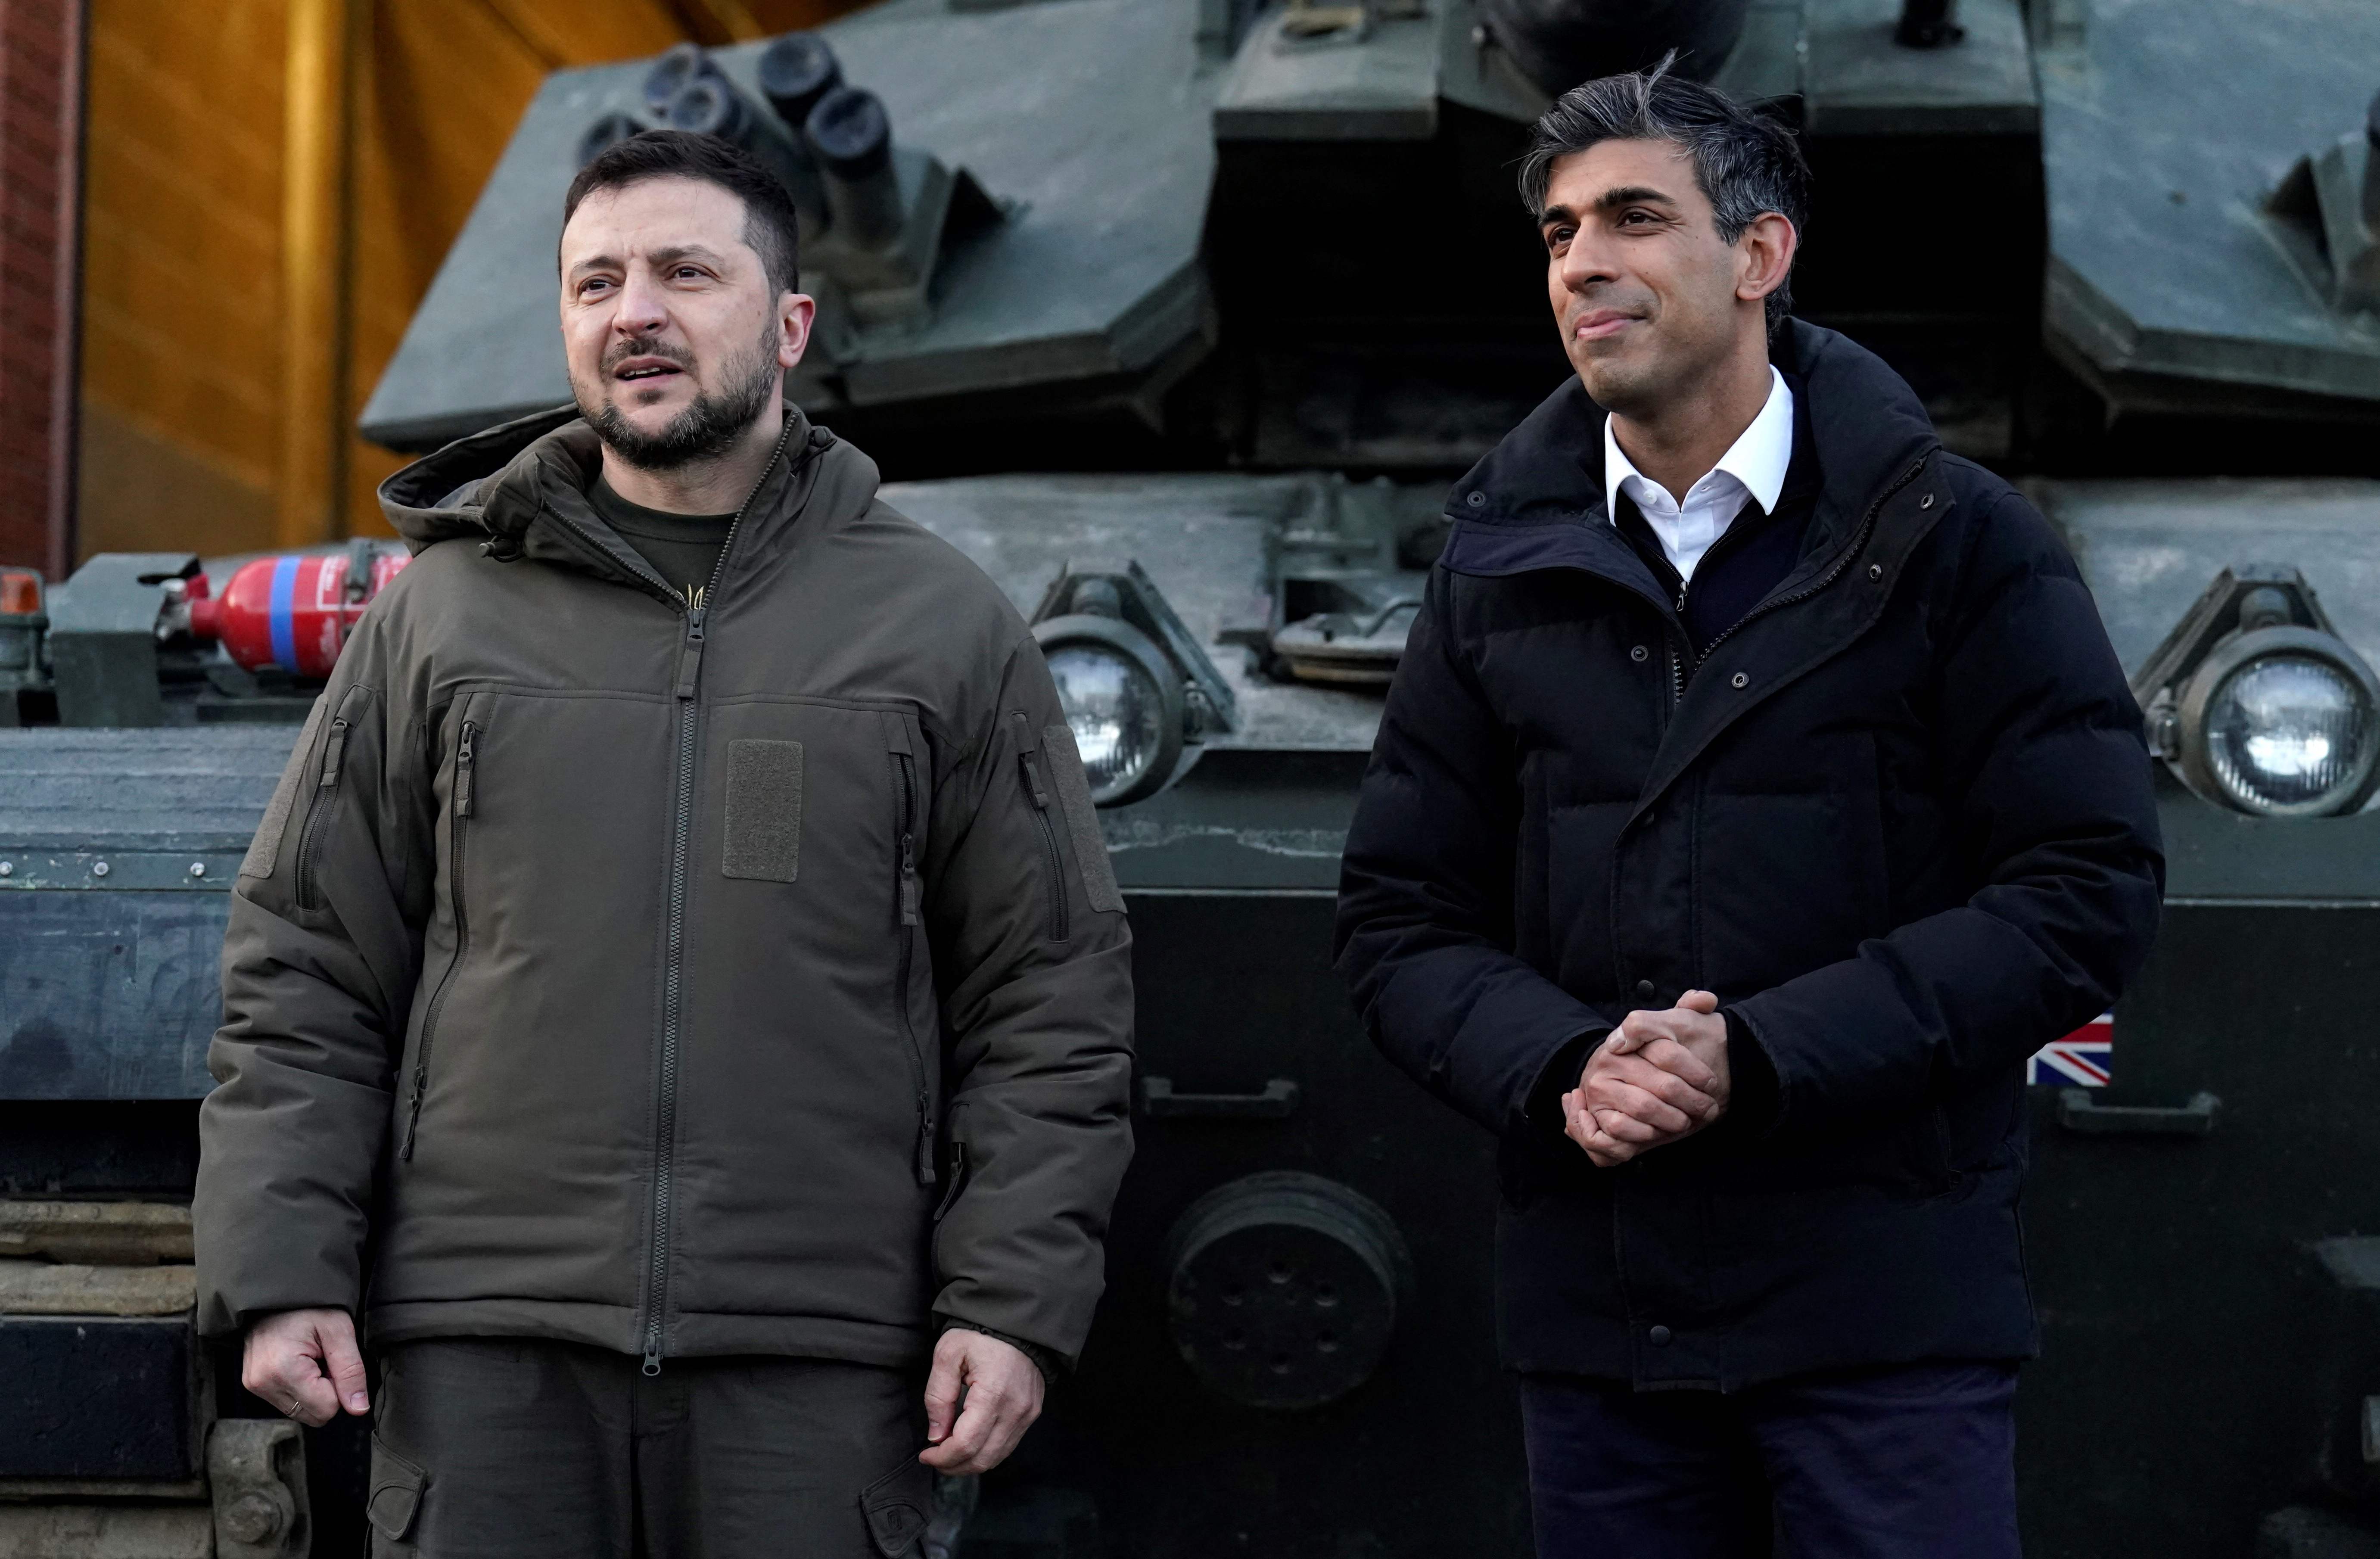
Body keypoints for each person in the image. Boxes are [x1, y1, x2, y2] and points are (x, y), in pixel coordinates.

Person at [193, 130, 1136, 1557]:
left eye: (687, 271)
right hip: (483, 1352)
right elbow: (309, 962)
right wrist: (279, 1267)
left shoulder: (942, 629)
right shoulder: (439, 620)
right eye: (596, 282)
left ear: (792, 323)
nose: (634, 311)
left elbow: (1049, 994)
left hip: (819, 1364)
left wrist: (1009, 1298)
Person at [1333, 62, 2162, 1559]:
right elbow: (1399, 919)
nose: (1585, 259)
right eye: (1562, 231)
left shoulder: (1959, 541)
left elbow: (2082, 885)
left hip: (1885, 1319)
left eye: (1637, 217)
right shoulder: (1495, 564)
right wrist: (1568, 1061)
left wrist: (1760, 1054)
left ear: (1761, 254)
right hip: (1608, 1322)